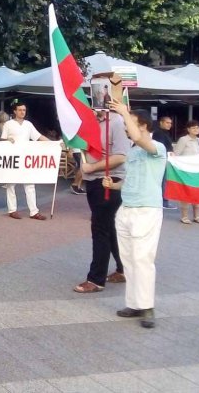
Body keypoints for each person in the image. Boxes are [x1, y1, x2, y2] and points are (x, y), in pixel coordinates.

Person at [106, 101, 166, 329]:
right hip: (127, 209)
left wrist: (122, 112)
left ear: (143, 125)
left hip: (147, 210)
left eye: (129, 122)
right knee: (129, 259)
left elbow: (141, 139)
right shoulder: (132, 152)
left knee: (143, 259)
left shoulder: (157, 148)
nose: (124, 127)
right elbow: (130, 180)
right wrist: (114, 185)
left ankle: (147, 306)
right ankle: (134, 303)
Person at [73, 109, 130, 293]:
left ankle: (96, 279)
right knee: (108, 227)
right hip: (93, 180)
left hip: (108, 179)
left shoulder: (116, 121)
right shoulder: (91, 121)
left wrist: (91, 167)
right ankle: (123, 269)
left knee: (100, 228)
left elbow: (121, 155)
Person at [1, 102, 49, 221]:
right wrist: (8, 139)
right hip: (12, 157)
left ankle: (34, 211)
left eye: (24, 110)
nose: (23, 112)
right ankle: (12, 210)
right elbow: (2, 139)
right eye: (20, 110)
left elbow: (38, 137)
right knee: (11, 184)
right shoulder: (8, 124)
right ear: (15, 111)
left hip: (26, 157)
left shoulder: (28, 124)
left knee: (30, 184)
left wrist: (53, 143)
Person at [173, 120, 199, 225]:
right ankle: (184, 216)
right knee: (186, 193)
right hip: (186, 170)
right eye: (193, 128)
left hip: (197, 170)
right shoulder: (183, 140)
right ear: (188, 129)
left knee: (198, 193)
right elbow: (176, 154)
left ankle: (197, 216)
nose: (196, 130)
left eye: (197, 128)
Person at [152, 116, 176, 209]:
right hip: (163, 160)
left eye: (170, 123)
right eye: (167, 122)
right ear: (161, 123)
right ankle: (164, 201)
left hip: (167, 159)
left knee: (164, 181)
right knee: (163, 181)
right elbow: (161, 148)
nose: (169, 125)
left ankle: (163, 201)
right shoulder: (159, 133)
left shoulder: (165, 133)